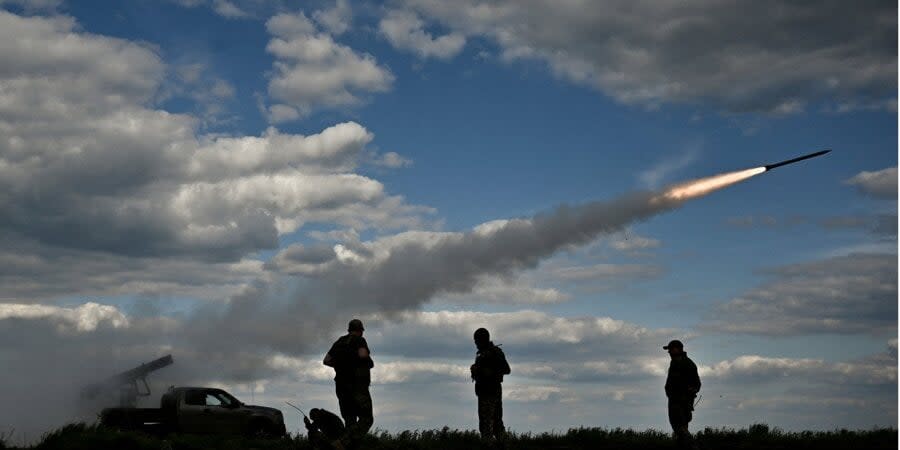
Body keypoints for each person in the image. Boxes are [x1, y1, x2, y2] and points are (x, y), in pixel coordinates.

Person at [323, 319, 374, 447]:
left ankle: (348, 446)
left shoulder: (340, 341)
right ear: (361, 330)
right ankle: (342, 442)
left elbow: (326, 360)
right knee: (367, 419)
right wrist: (366, 362)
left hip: (341, 386)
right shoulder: (360, 340)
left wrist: (341, 364)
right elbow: (363, 355)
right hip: (357, 386)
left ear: (349, 330)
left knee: (350, 420)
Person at [470, 327, 511, 442]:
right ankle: (504, 445)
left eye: (476, 341)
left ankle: (490, 445)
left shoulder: (494, 353)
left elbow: (507, 369)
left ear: (482, 340)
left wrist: (488, 371)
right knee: (496, 424)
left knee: (487, 425)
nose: (476, 344)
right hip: (488, 392)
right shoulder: (484, 353)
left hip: (489, 393)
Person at [664, 339, 701, 449]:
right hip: (677, 400)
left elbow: (697, 384)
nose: (669, 352)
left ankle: (694, 447)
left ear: (677, 349)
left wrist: (688, 393)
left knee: (679, 427)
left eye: (670, 349)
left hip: (680, 402)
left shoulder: (686, 364)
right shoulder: (676, 362)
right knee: (680, 428)